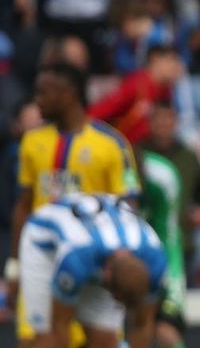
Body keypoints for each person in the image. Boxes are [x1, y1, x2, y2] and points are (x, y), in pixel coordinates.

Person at [9, 63, 138, 347]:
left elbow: (128, 209)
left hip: (93, 266)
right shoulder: (31, 142)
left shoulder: (112, 144)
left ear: (69, 94)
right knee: (35, 341)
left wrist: (119, 263)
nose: (37, 100)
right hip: (42, 261)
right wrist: (15, 267)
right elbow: (23, 206)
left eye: (44, 92)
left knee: (100, 341)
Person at [17, 194, 165, 348]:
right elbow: (59, 327)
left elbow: (142, 325)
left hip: (96, 249)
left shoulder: (156, 263)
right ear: (107, 275)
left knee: (105, 342)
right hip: (44, 247)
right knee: (48, 338)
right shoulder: (77, 259)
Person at [138, 149, 188, 348]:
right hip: (107, 261)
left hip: (154, 261)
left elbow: (169, 237)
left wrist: (172, 292)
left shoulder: (162, 177)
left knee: (166, 330)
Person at [87, 45, 183, 144]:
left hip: (147, 150)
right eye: (171, 60)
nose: (176, 66)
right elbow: (97, 113)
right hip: (122, 147)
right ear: (155, 60)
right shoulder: (136, 85)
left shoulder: (167, 91)